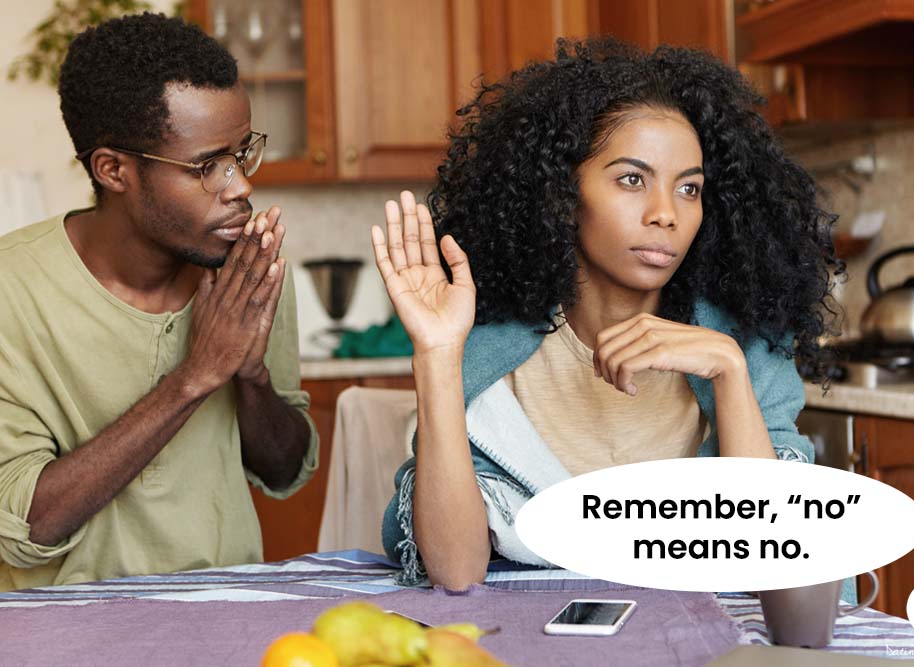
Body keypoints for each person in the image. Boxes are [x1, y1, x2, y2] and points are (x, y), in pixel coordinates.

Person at [372, 38, 840, 589]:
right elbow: (455, 572)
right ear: (562, 195)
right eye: (632, 179)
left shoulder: (745, 347)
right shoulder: (488, 355)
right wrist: (436, 355)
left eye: (688, 188)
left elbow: (779, 569)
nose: (666, 213)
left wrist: (730, 372)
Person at [0, 13, 318, 591]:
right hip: (63, 630)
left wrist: (250, 376)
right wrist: (196, 375)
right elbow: (26, 524)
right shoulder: (10, 291)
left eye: (242, 153)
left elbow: (284, 470)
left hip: (230, 609)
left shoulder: (247, 271)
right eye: (206, 166)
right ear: (114, 170)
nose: (240, 185)